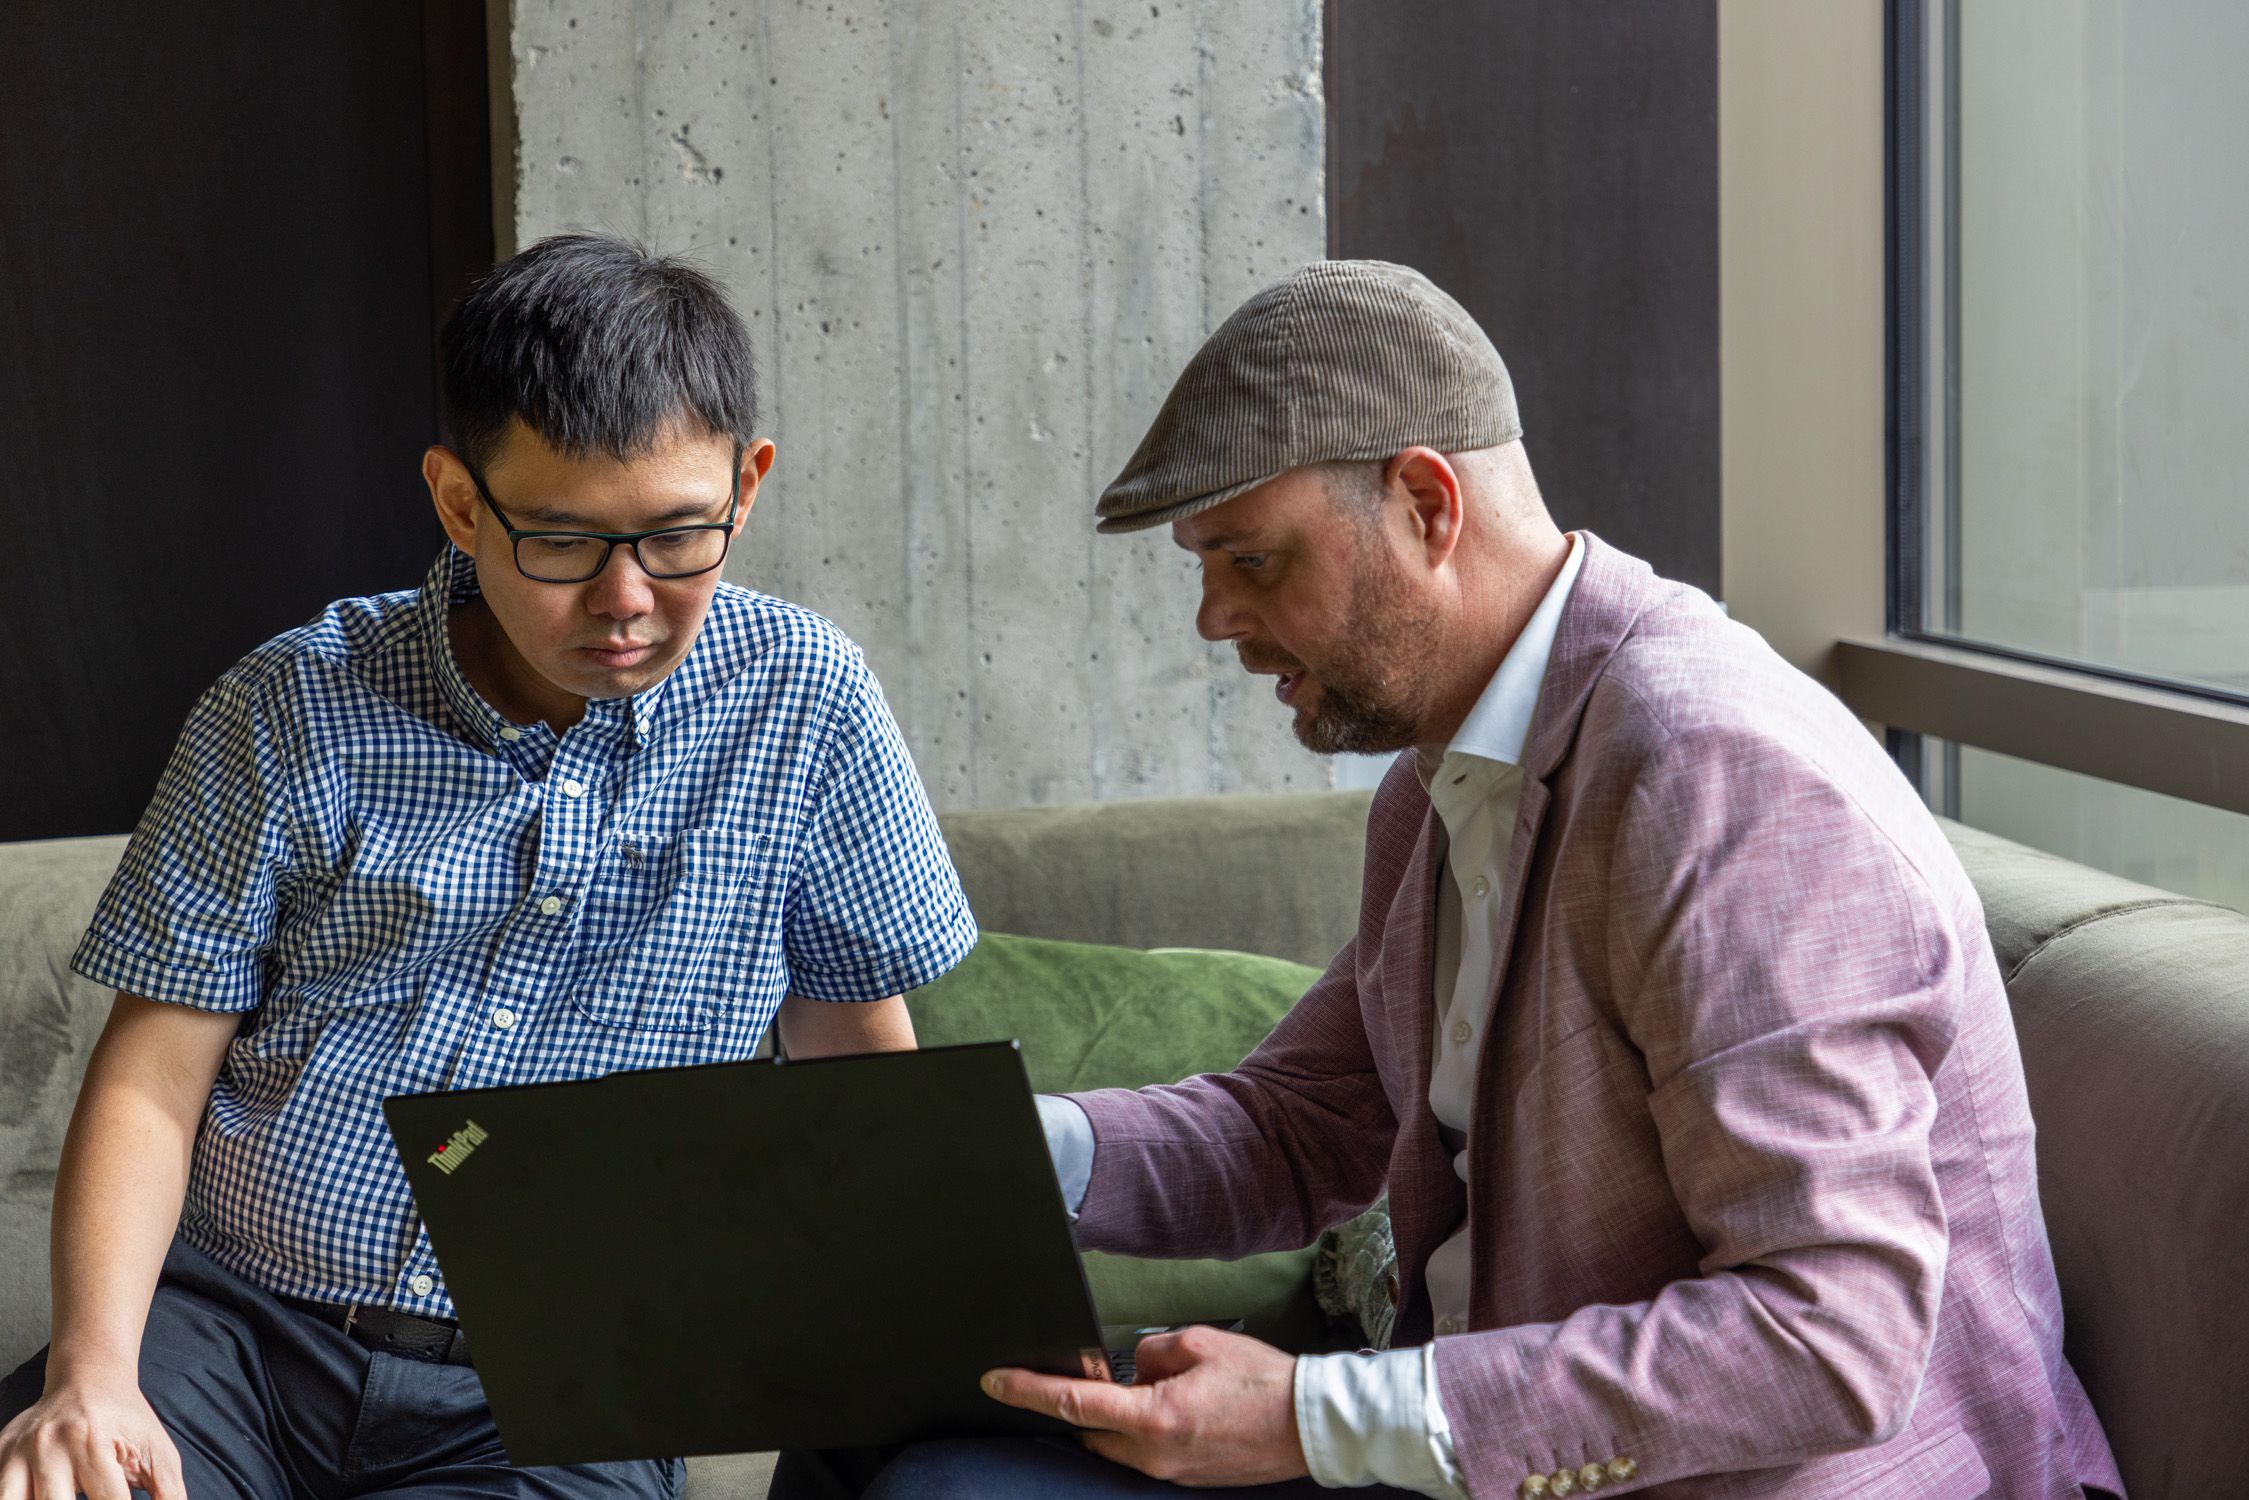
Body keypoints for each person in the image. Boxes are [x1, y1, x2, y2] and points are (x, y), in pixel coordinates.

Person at [794, 261, 2124, 1498]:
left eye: (1249, 558)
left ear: (1428, 506)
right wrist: (974, 1169)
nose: (1213, 620)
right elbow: (1301, 1126)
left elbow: (1831, 1335)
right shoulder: (1443, 784)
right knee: (882, 1435)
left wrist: (1313, 1418)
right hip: (1472, 1458)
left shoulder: (1714, 775)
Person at [0, 234, 977, 1500]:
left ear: (748, 483)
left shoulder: (808, 704)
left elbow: (858, 1080)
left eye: (681, 536)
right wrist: (94, 1373)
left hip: (567, 1389)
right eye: (562, 544)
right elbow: (153, 1075)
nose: (626, 599)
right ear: (461, 503)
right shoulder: (294, 705)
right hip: (232, 1329)